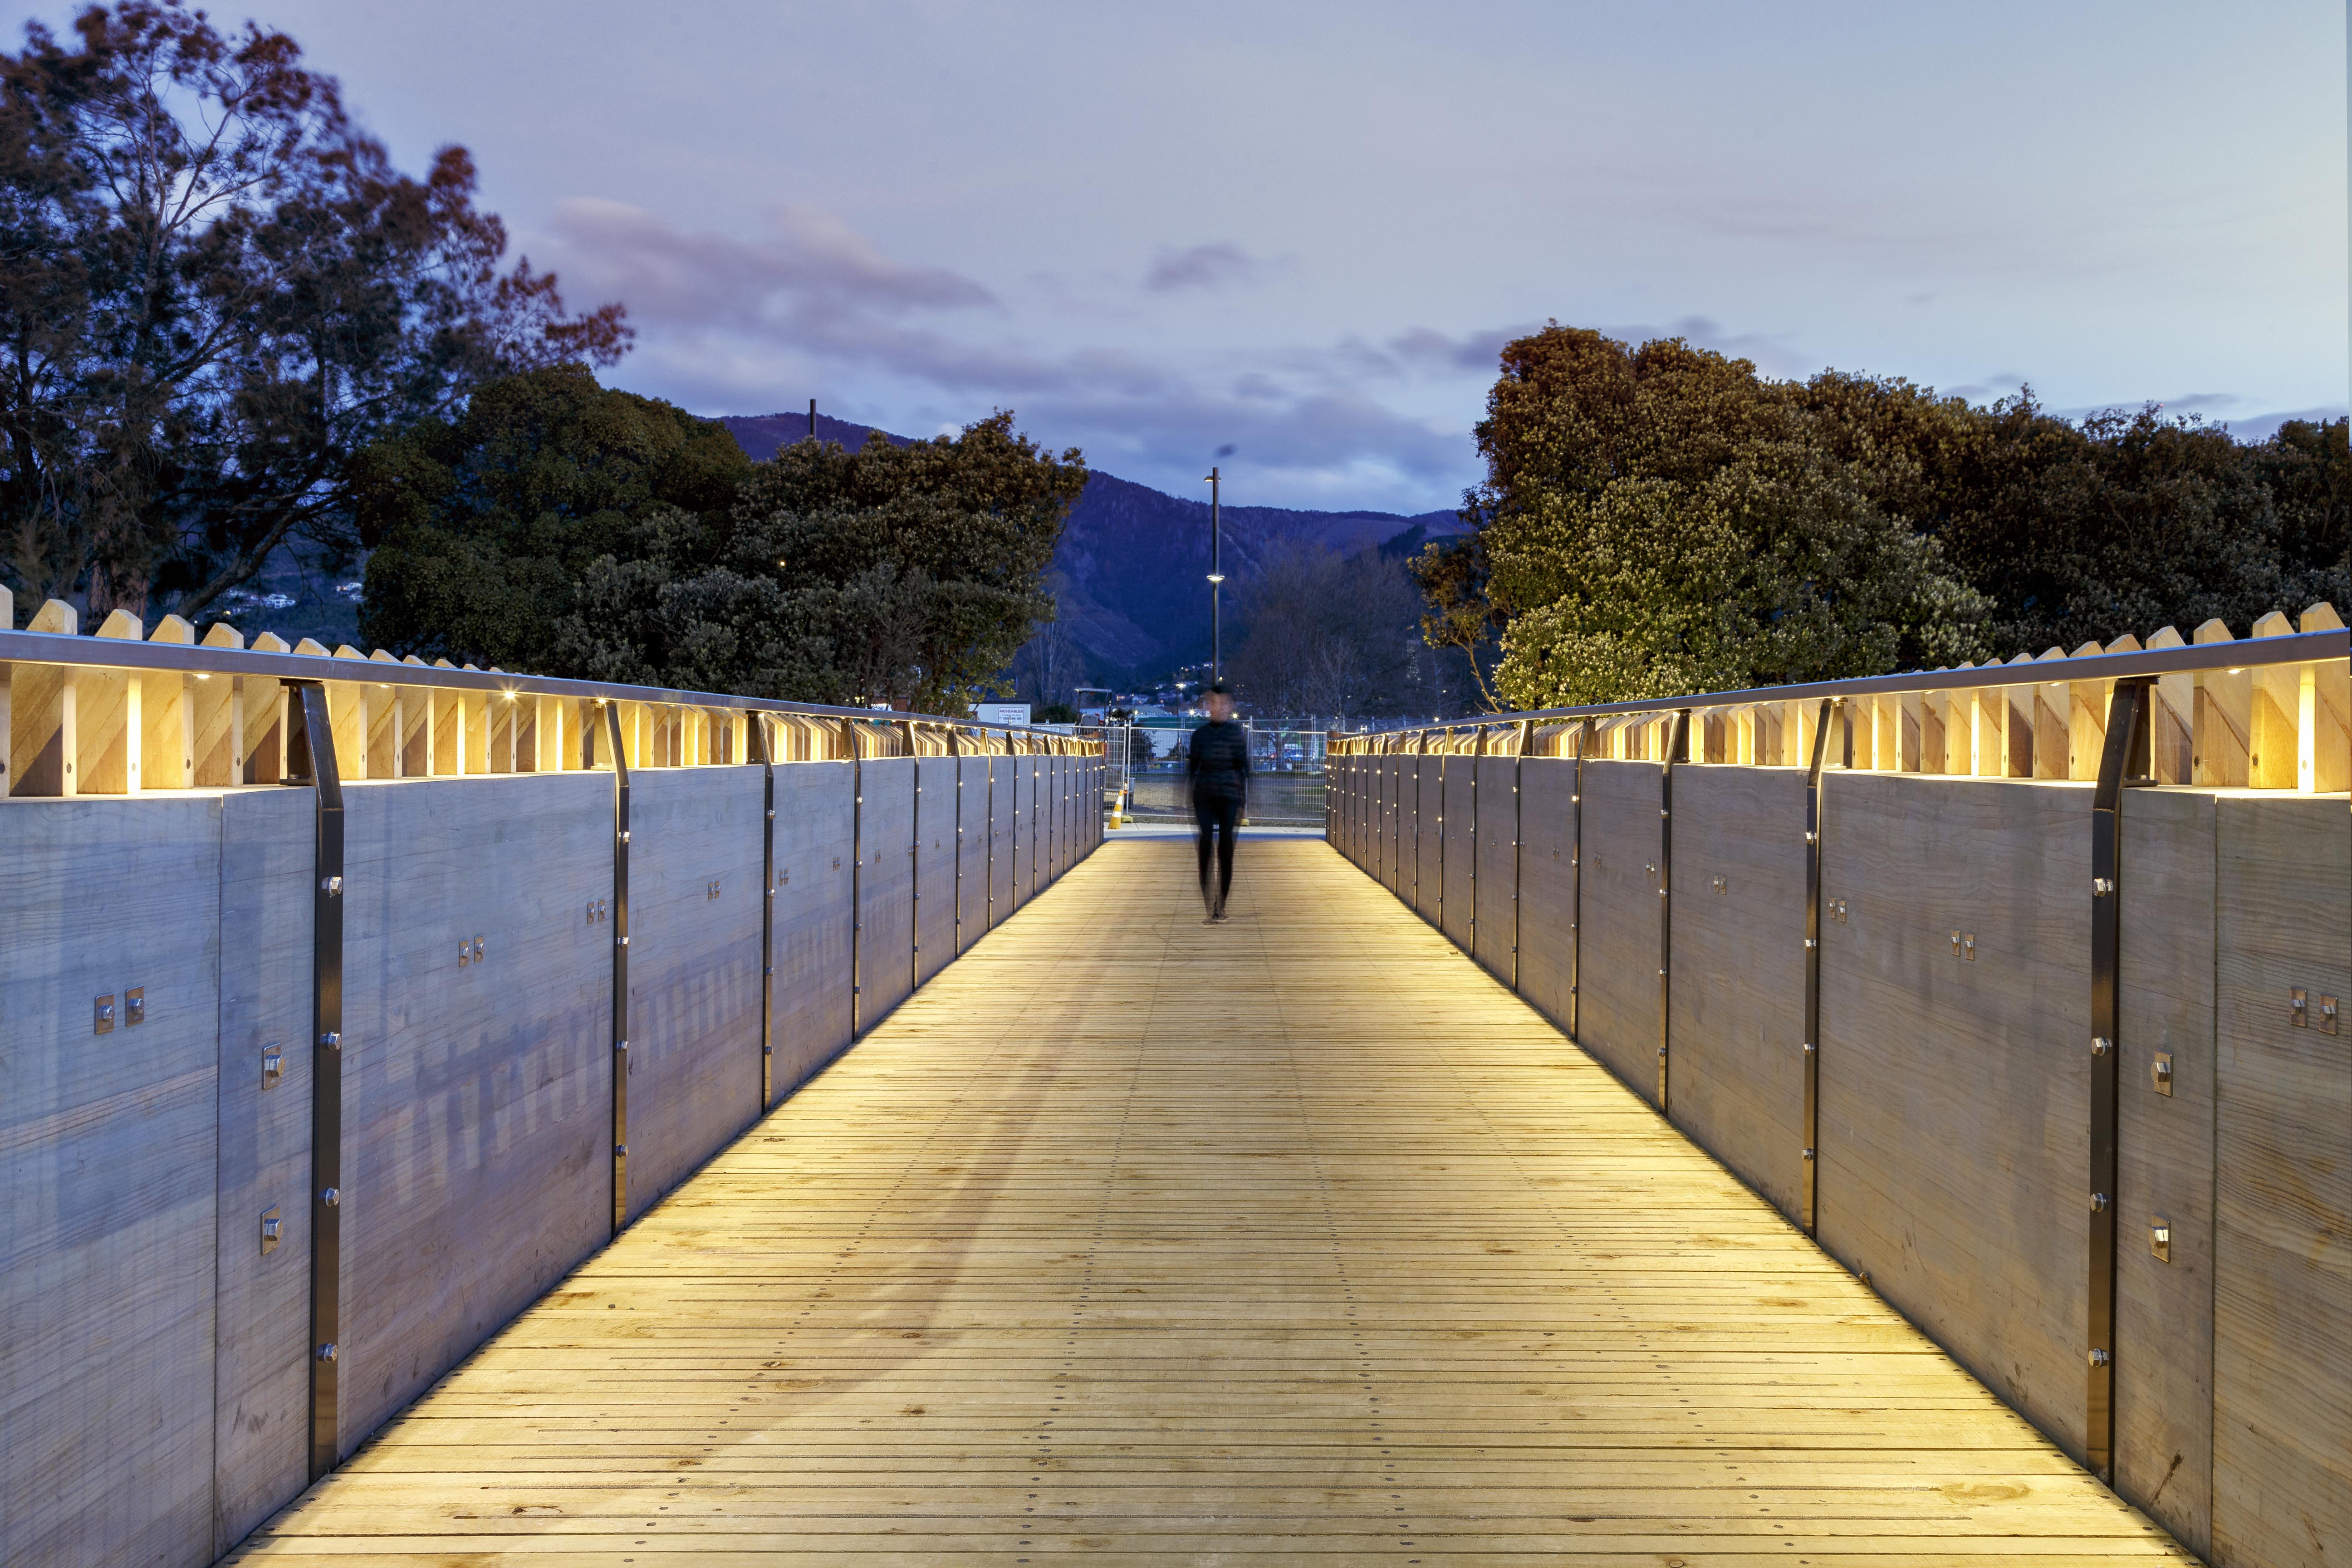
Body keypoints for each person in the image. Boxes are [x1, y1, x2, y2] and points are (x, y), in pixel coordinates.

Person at [1186, 681, 1251, 922]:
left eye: (1224, 703)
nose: (1219, 708)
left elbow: (1244, 768)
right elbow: (1192, 770)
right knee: (1205, 847)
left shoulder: (1236, 734)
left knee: (1226, 849)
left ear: (1230, 706)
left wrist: (1243, 802)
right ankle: (1208, 902)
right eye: (1213, 702)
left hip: (1229, 797)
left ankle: (1221, 905)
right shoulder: (1200, 736)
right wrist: (1188, 797)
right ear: (1207, 705)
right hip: (1204, 796)